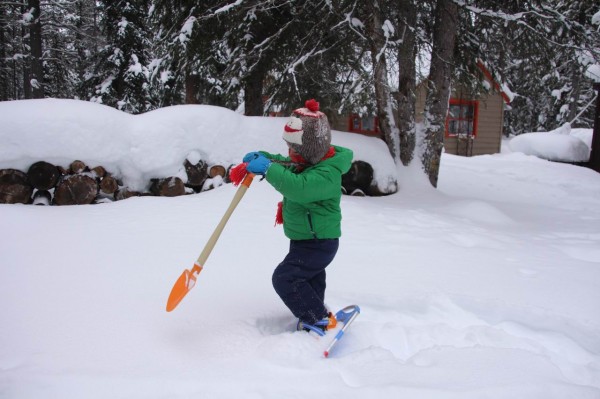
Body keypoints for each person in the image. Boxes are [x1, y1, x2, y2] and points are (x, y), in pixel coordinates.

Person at [242, 99, 353, 336]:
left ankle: (318, 320)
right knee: (309, 280)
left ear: (310, 150)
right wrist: (262, 157)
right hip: (306, 238)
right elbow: (285, 164)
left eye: (294, 149)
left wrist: (268, 169)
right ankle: (315, 316)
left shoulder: (326, 173)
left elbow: (298, 188)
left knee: (285, 279)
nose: (289, 153)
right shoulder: (306, 163)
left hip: (319, 242)